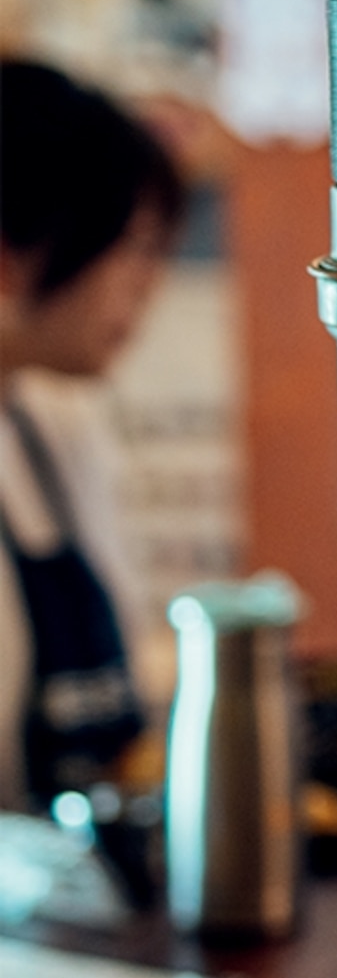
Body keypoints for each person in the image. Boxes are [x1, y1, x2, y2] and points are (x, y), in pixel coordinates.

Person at [0, 58, 182, 809]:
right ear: (17, 247)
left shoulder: (51, 424)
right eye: (132, 244)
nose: (148, 283)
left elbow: (125, 676)